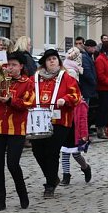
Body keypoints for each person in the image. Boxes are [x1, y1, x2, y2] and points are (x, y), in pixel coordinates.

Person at [0, 53, 35, 211]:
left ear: (21, 66)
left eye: (14, 65)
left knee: (13, 164)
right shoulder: (2, 78)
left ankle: (23, 195)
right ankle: (0, 200)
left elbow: (29, 102)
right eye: (8, 65)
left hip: (16, 129)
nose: (10, 68)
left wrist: (11, 101)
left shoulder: (27, 83)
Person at [31, 49, 81, 199]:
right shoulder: (35, 78)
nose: (52, 61)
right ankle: (52, 177)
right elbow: (27, 94)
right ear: (44, 63)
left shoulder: (67, 77)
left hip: (60, 120)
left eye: (54, 58)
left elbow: (76, 96)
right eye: (48, 59)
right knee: (37, 151)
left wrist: (65, 99)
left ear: (59, 62)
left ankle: (50, 185)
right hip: (39, 121)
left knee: (52, 151)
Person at [94, 40, 108, 140]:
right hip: (104, 89)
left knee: (107, 110)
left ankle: (106, 128)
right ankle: (100, 129)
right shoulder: (100, 59)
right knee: (103, 110)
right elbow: (101, 75)